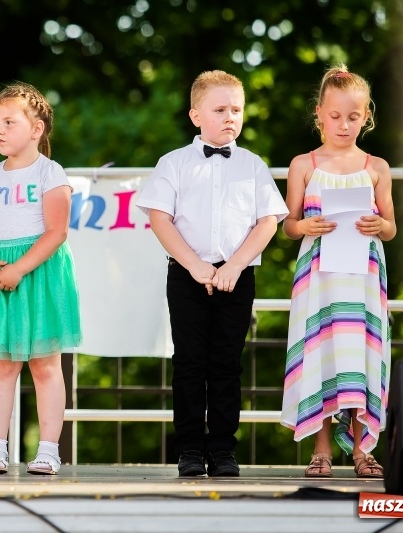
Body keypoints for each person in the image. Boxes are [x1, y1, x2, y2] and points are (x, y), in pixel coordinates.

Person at [136, 70, 288, 477]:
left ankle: (223, 449)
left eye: (236, 109)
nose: (229, 117)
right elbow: (160, 218)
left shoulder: (252, 166)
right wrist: (195, 265)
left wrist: (235, 264)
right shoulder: (174, 164)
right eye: (219, 109)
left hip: (236, 279)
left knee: (226, 363)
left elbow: (268, 221)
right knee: (188, 362)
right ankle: (188, 448)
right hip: (187, 274)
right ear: (195, 115)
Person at [280, 64, 395, 479]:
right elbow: (289, 225)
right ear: (319, 115)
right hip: (319, 276)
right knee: (322, 353)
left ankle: (363, 449)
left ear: (366, 117)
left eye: (353, 117)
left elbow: (391, 226)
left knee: (361, 354)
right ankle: (322, 447)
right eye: (335, 116)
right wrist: (305, 226)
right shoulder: (303, 164)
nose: (343, 125)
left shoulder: (377, 166)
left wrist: (378, 226)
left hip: (362, 275)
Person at [0, 82, 82, 476]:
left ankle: (48, 450)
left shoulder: (51, 172)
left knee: (46, 366)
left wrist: (19, 268)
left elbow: (56, 231)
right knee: (1, 366)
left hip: (37, 274)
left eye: (9, 122)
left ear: (37, 129)